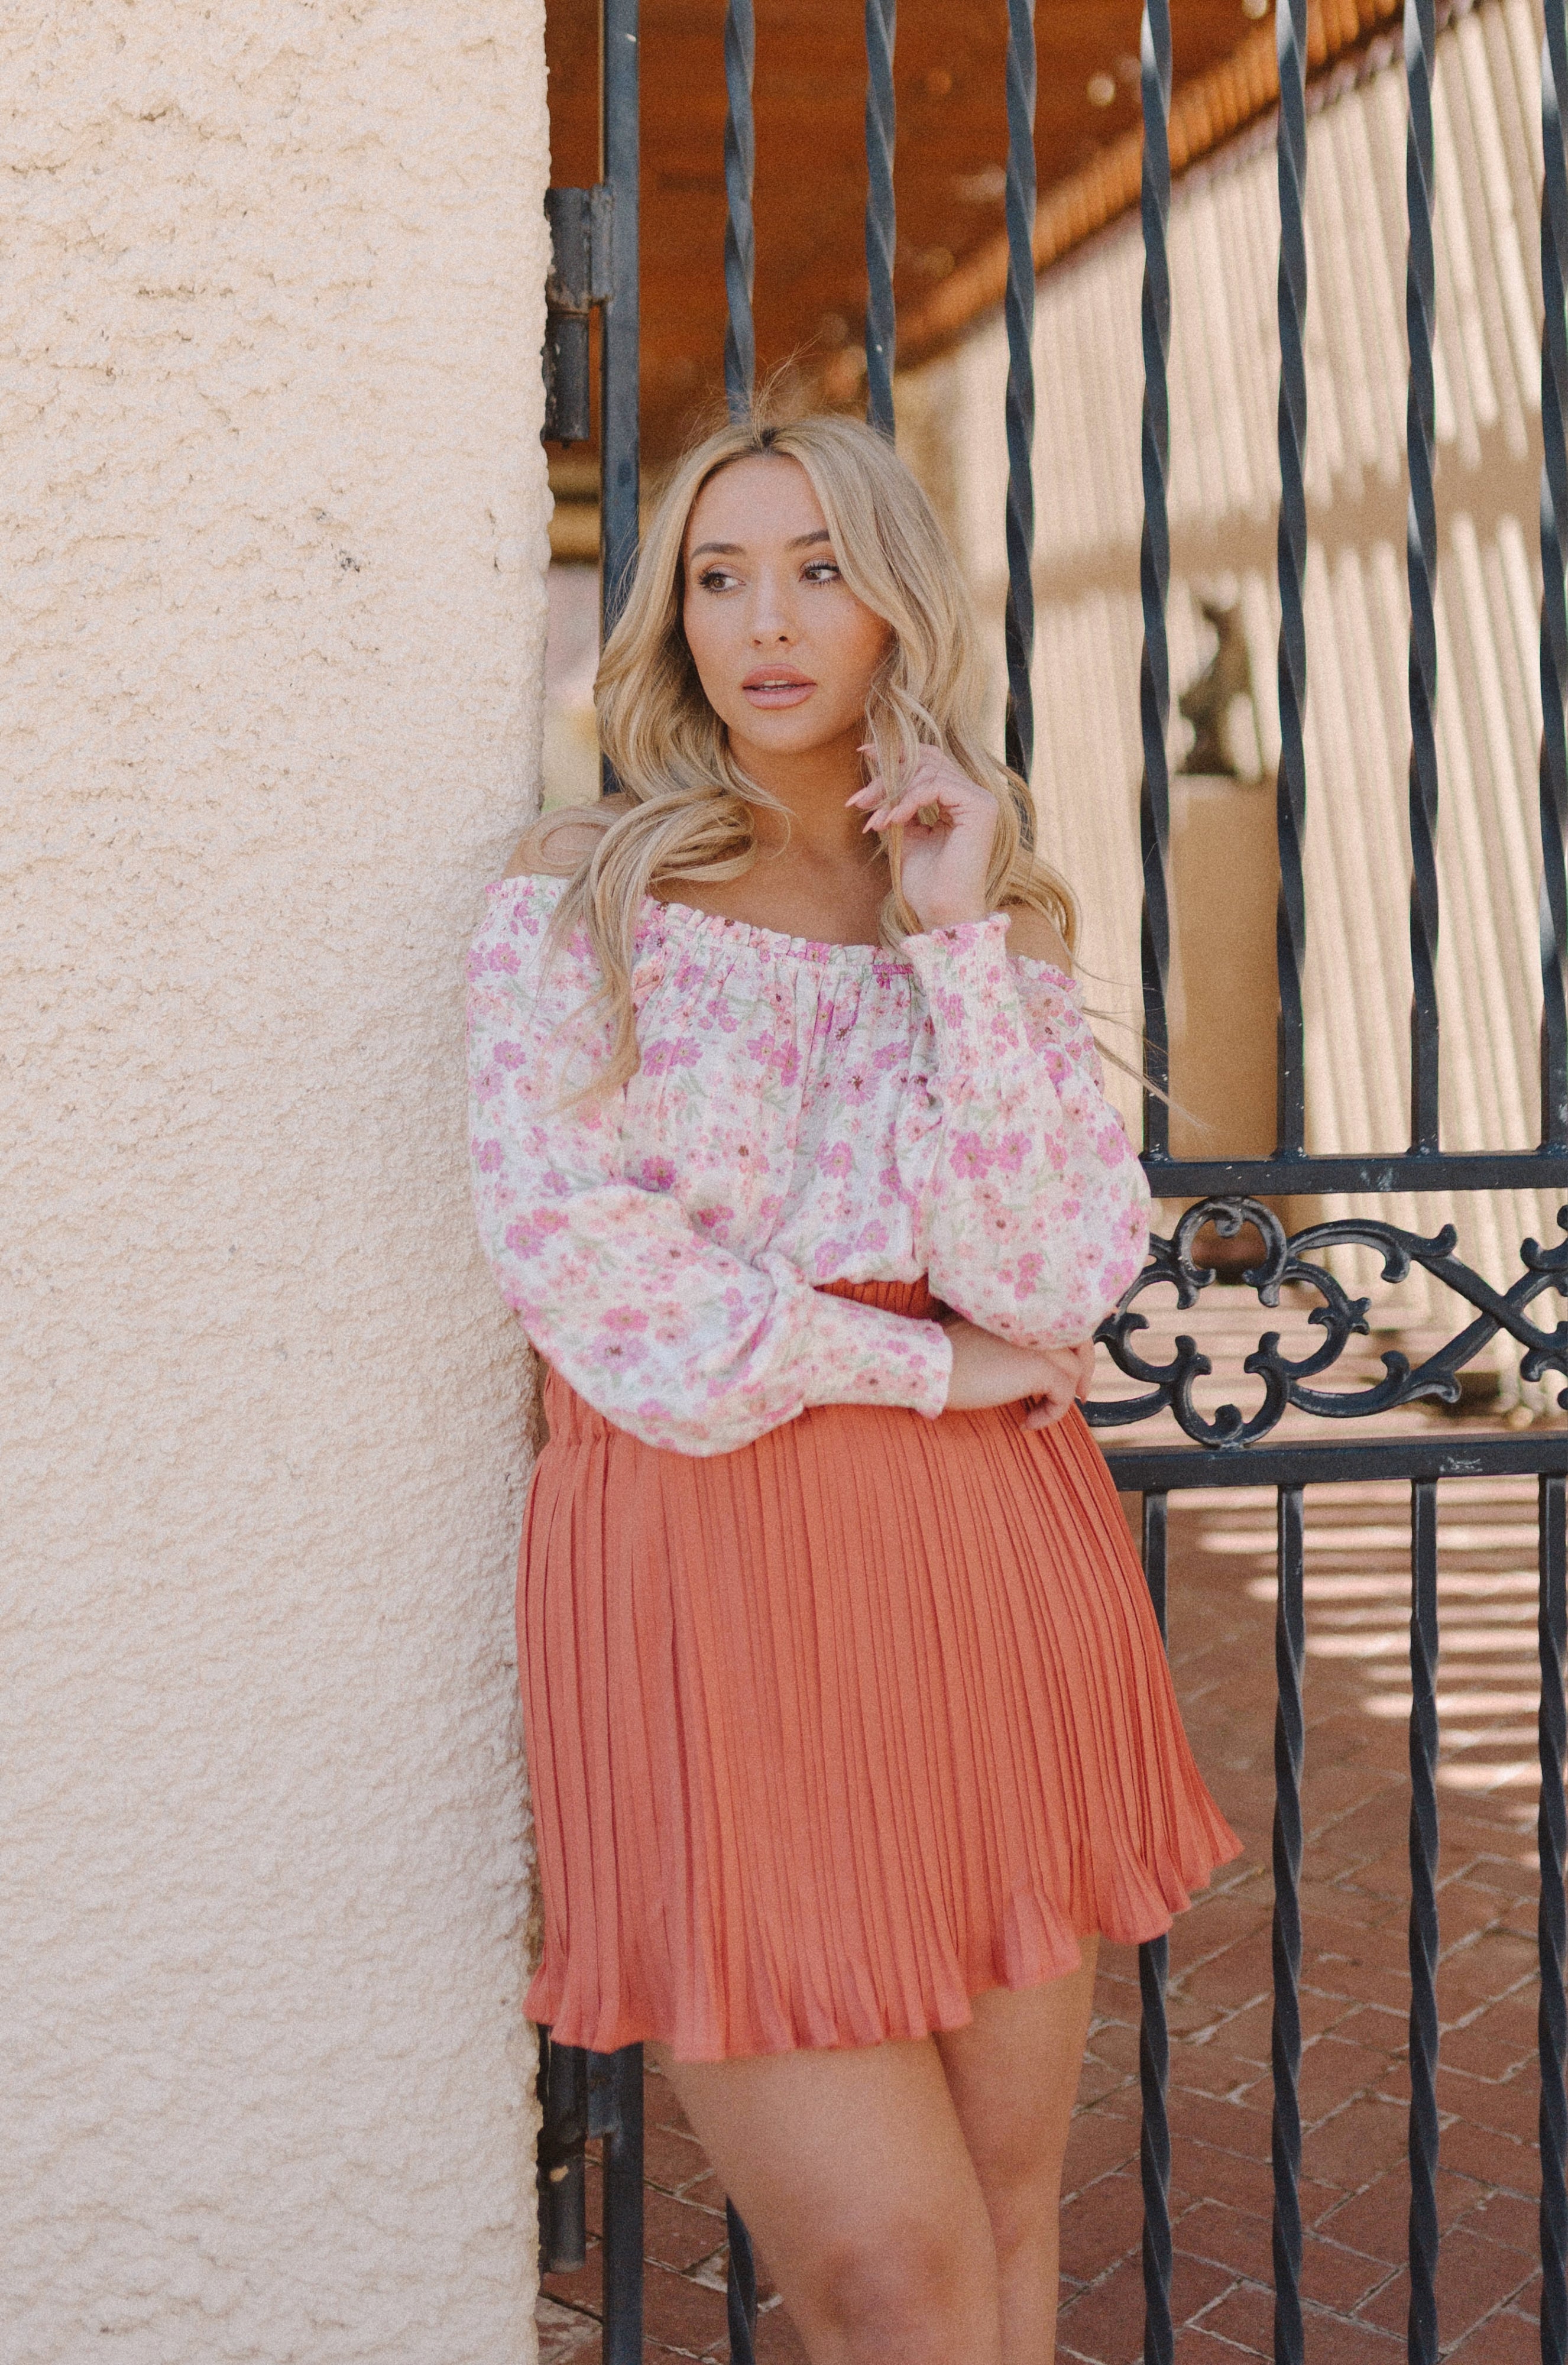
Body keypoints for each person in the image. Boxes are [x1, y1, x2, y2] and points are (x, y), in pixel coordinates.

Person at [467, 410, 1239, 2365]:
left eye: (816, 568)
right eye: (717, 578)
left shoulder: (971, 912)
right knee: (884, 2278)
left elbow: (1059, 1276)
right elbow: (606, 1297)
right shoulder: (582, 900)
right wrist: (924, 1359)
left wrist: (962, 935)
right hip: (711, 1566)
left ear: (901, 604)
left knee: (994, 2223)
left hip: (987, 1573)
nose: (766, 623)